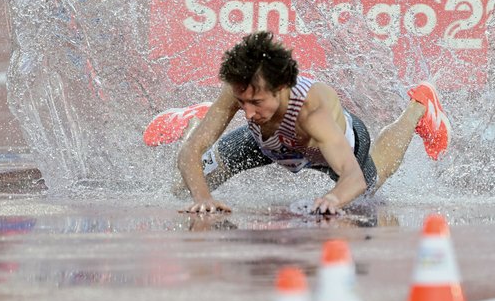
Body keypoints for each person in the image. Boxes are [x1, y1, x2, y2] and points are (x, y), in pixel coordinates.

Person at [176, 31, 451, 214]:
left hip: (330, 148)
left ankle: (419, 107)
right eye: (241, 103)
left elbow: (352, 178)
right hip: (266, 142)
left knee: (368, 186)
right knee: (184, 189)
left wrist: (332, 198)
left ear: (282, 87)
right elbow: (190, 152)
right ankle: (202, 119)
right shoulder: (245, 92)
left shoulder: (312, 112)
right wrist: (202, 199)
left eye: (256, 102)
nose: (246, 113)